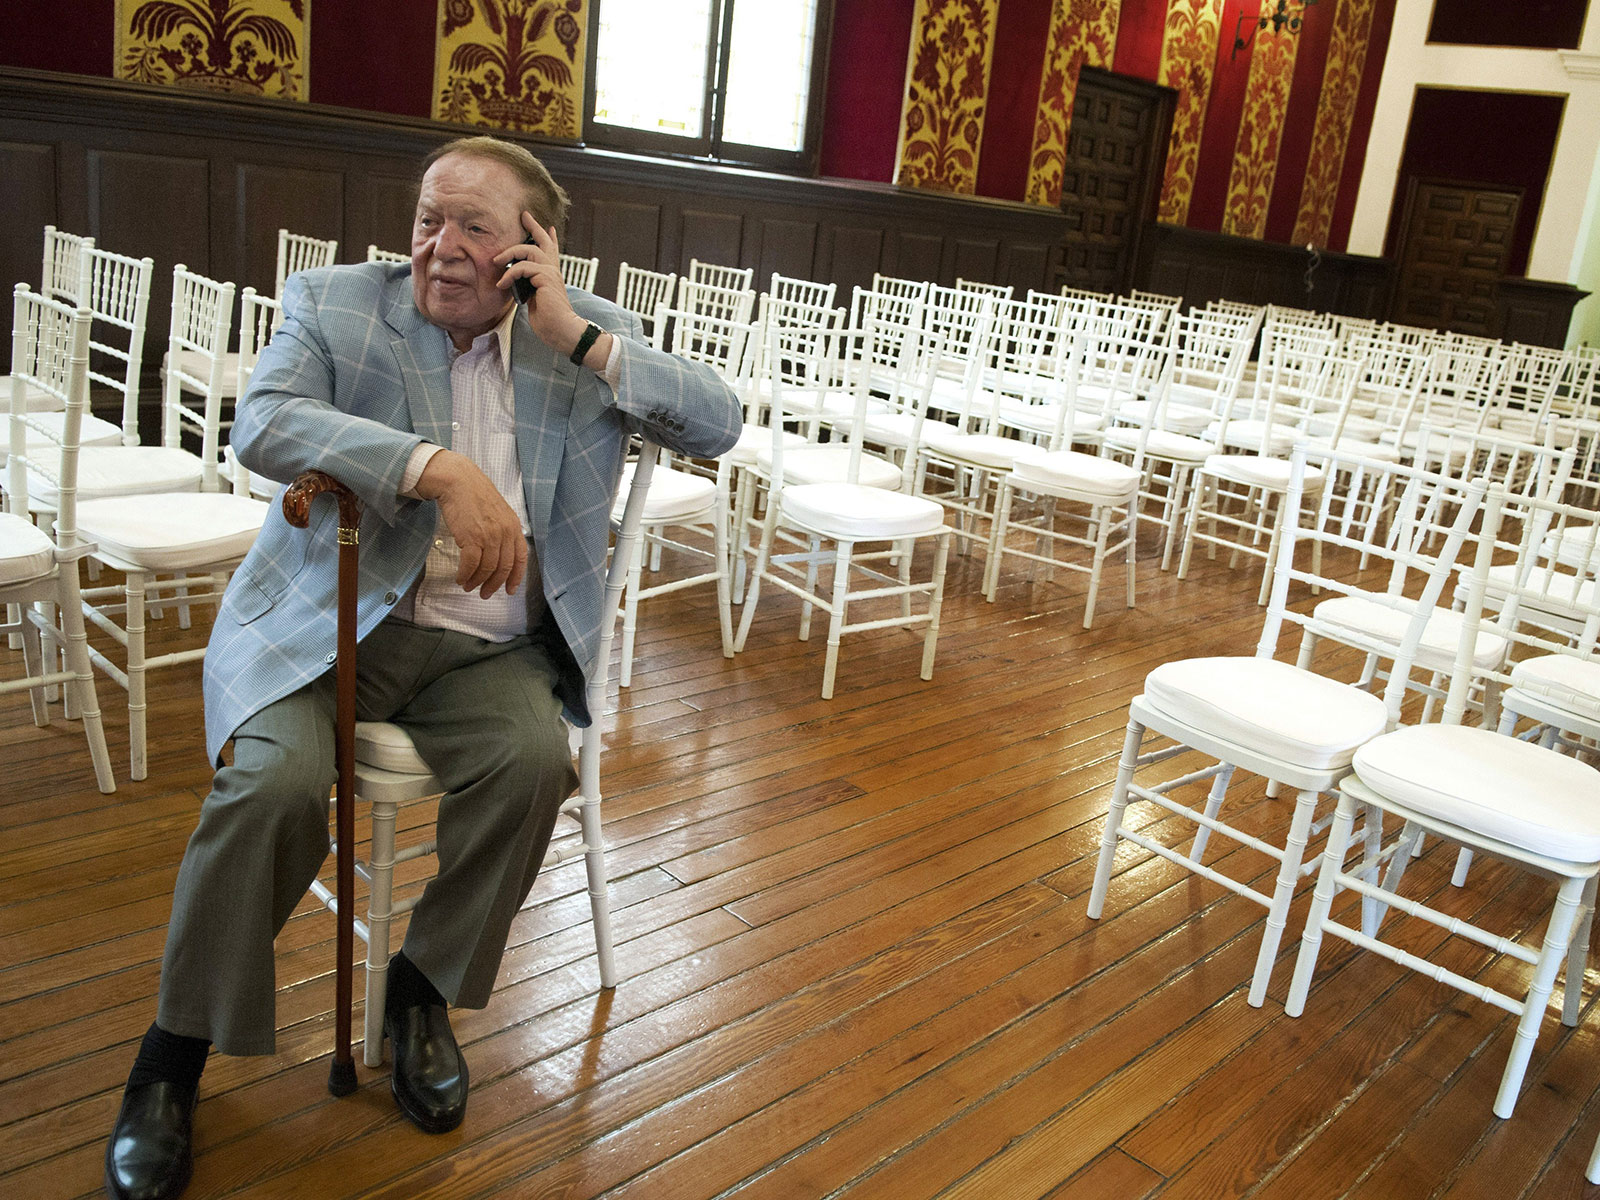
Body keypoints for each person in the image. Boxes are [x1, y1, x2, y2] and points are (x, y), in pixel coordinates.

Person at [104, 134, 743, 1200]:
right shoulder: (337, 303)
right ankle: (172, 1054)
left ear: (534, 245)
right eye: (427, 219)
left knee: (533, 764)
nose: (440, 247)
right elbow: (262, 423)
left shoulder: (578, 333)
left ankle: (420, 989)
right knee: (271, 785)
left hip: (492, 650)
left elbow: (719, 424)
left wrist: (577, 337)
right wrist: (432, 467)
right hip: (333, 627)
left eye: (474, 227)